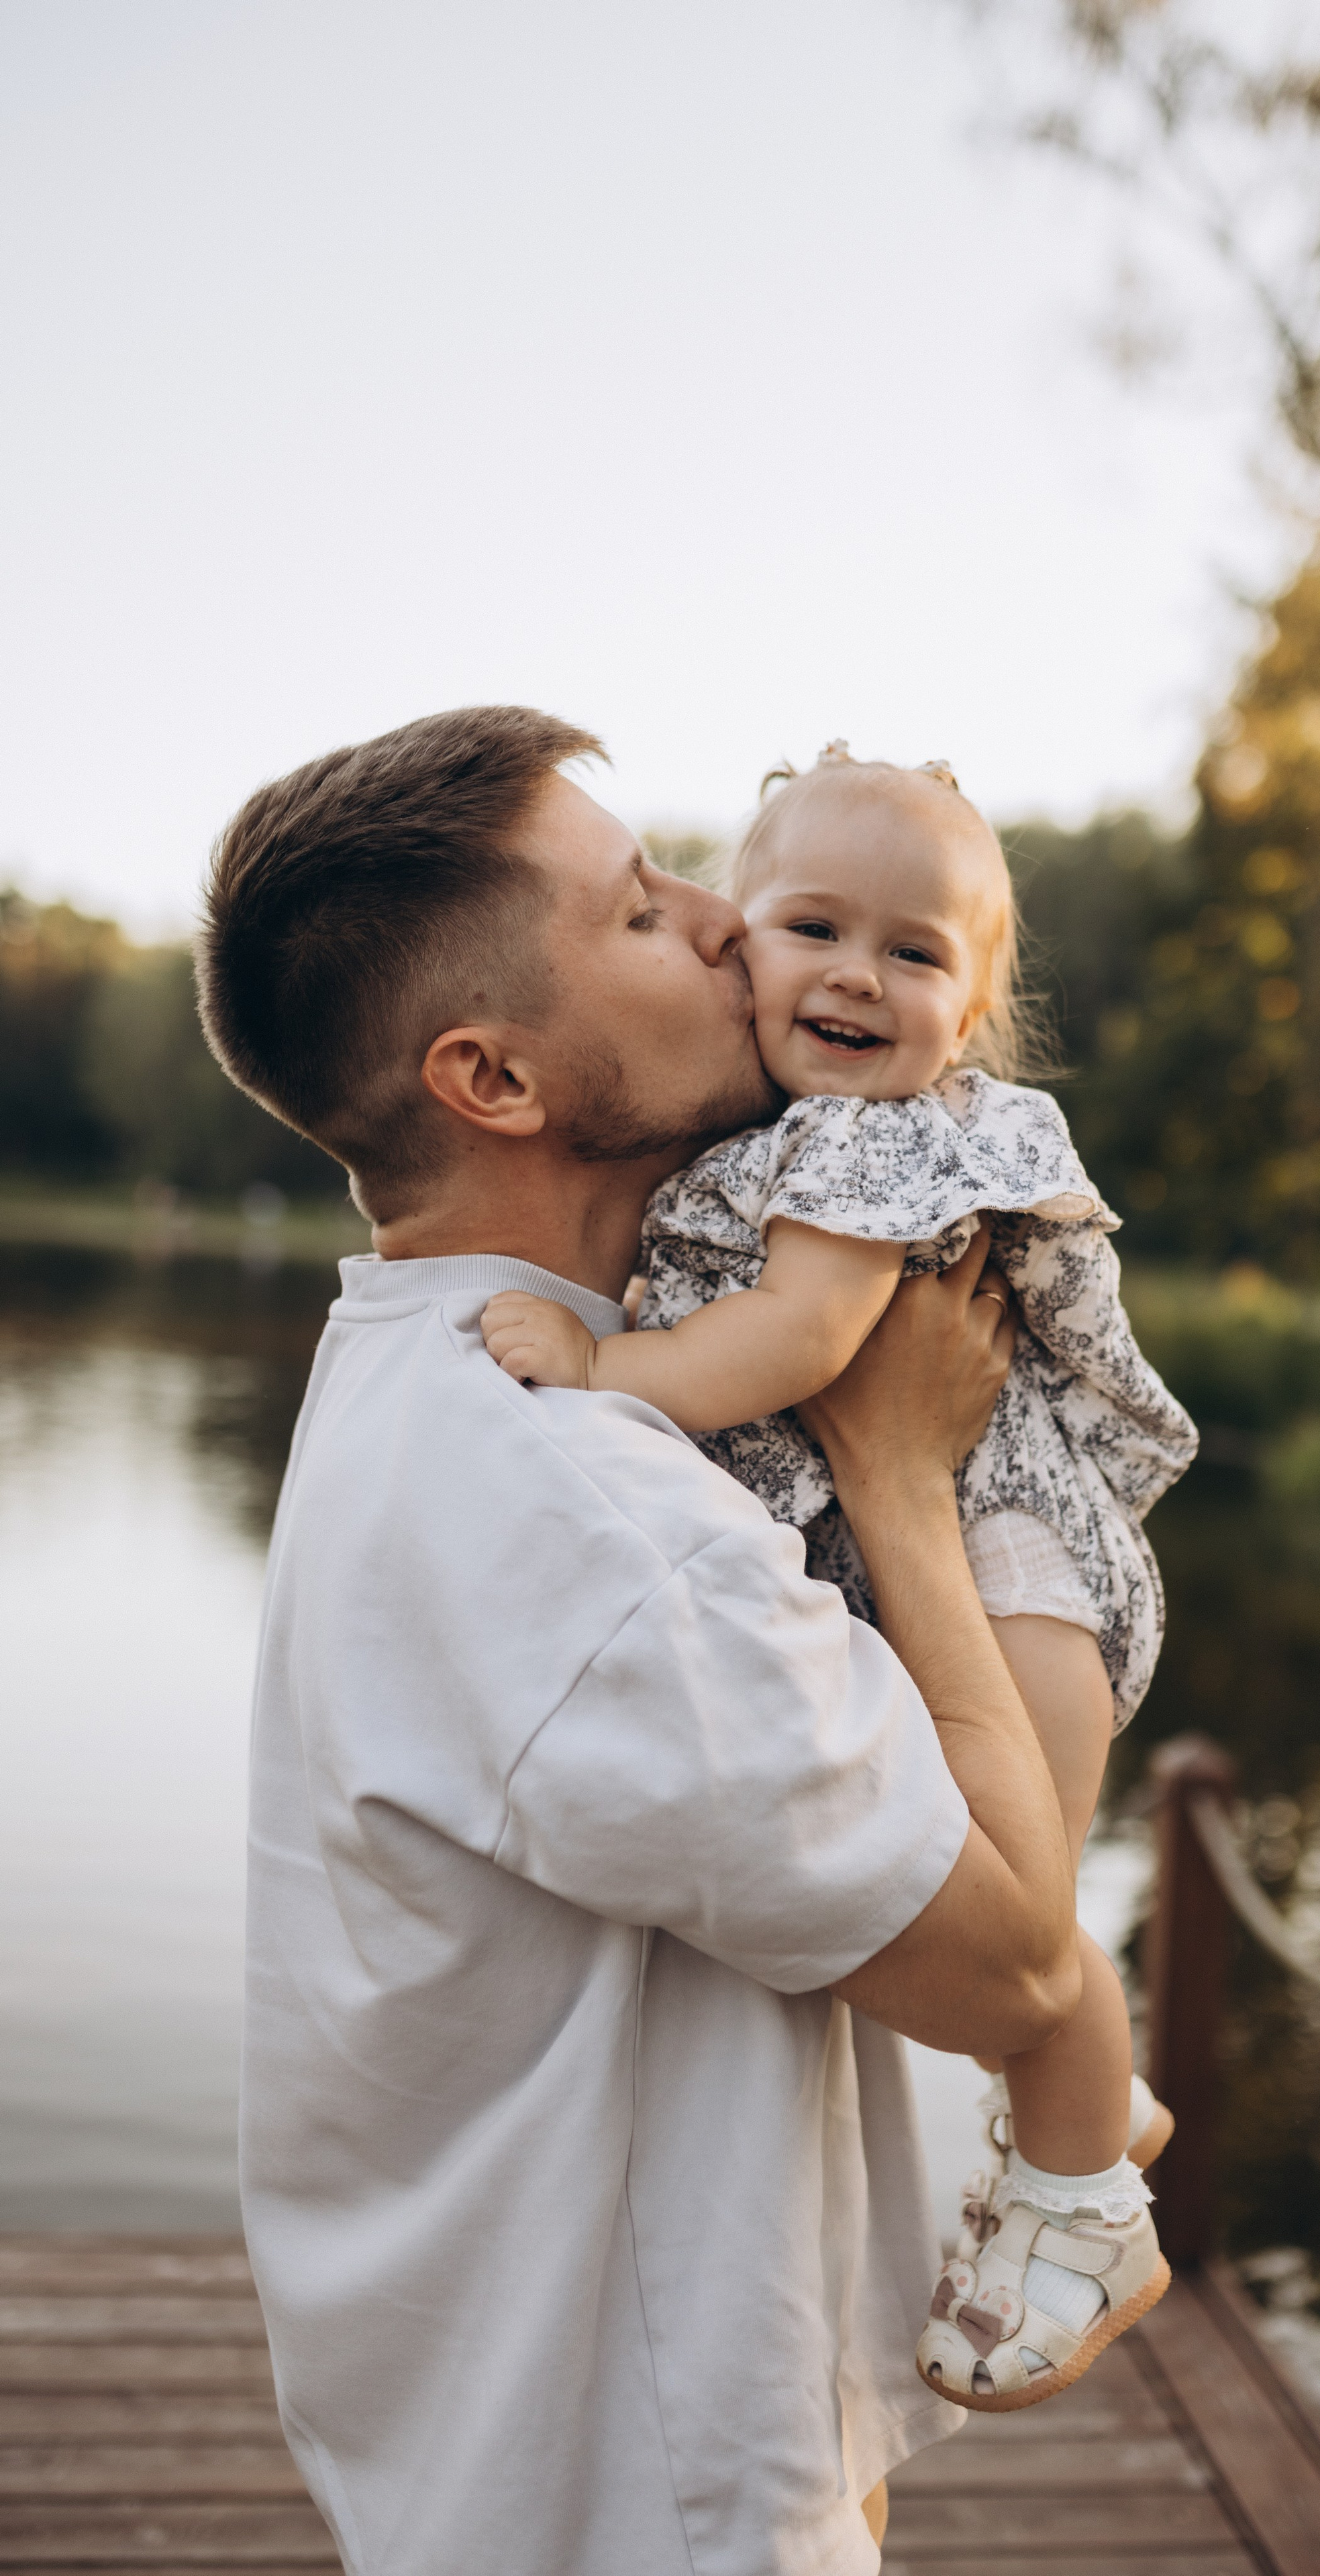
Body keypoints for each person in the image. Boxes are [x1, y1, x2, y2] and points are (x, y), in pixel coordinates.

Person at [196, 706, 1086, 2576]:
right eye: (634, 912)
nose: (719, 923)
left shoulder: (419, 1382)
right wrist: (910, 1487)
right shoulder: (591, 1517)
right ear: (495, 1081)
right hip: (651, 2511)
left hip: (516, 2479)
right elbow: (1015, 1968)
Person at [480, 741, 1197, 2411]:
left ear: (974, 1002)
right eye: (813, 928)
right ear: (737, 940)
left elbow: (795, 1342)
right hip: (950, 1540)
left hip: (1020, 1564)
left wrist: (593, 1382)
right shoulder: (775, 1138)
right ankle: (1093, 2104)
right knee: (999, 1892)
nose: (858, 977)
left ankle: (1085, 2201)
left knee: (1012, 1901)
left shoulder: (880, 1147)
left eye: (916, 951)